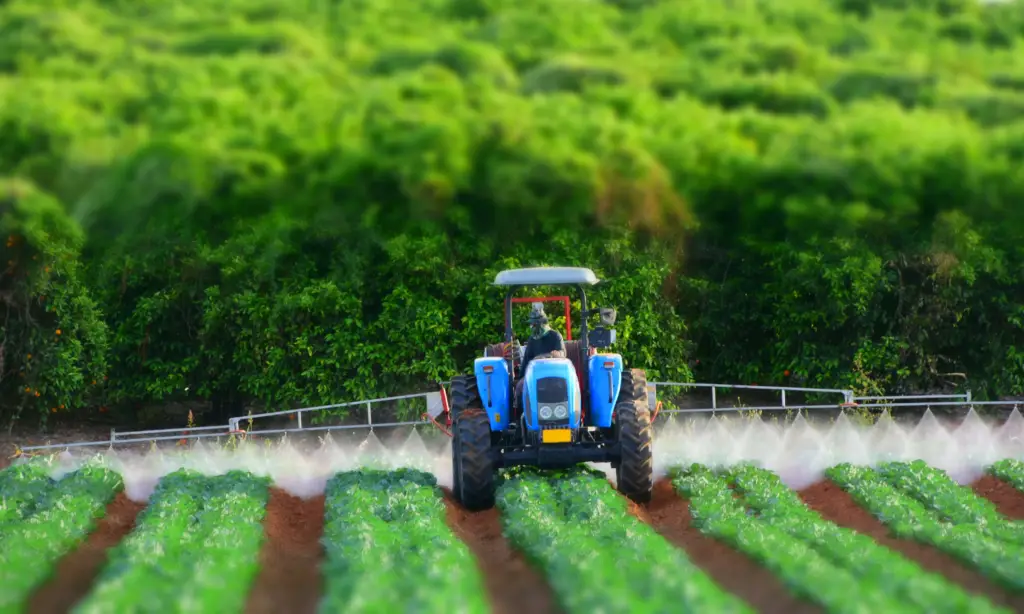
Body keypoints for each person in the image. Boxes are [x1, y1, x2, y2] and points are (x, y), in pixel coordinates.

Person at [514, 303, 565, 411]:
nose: (531, 327)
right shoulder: (533, 340)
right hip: (535, 375)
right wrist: (521, 378)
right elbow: (527, 360)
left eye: (533, 324)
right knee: (520, 387)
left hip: (555, 374)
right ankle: (520, 419)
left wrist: (556, 355)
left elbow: (562, 354)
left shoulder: (555, 336)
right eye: (531, 324)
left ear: (541, 324)